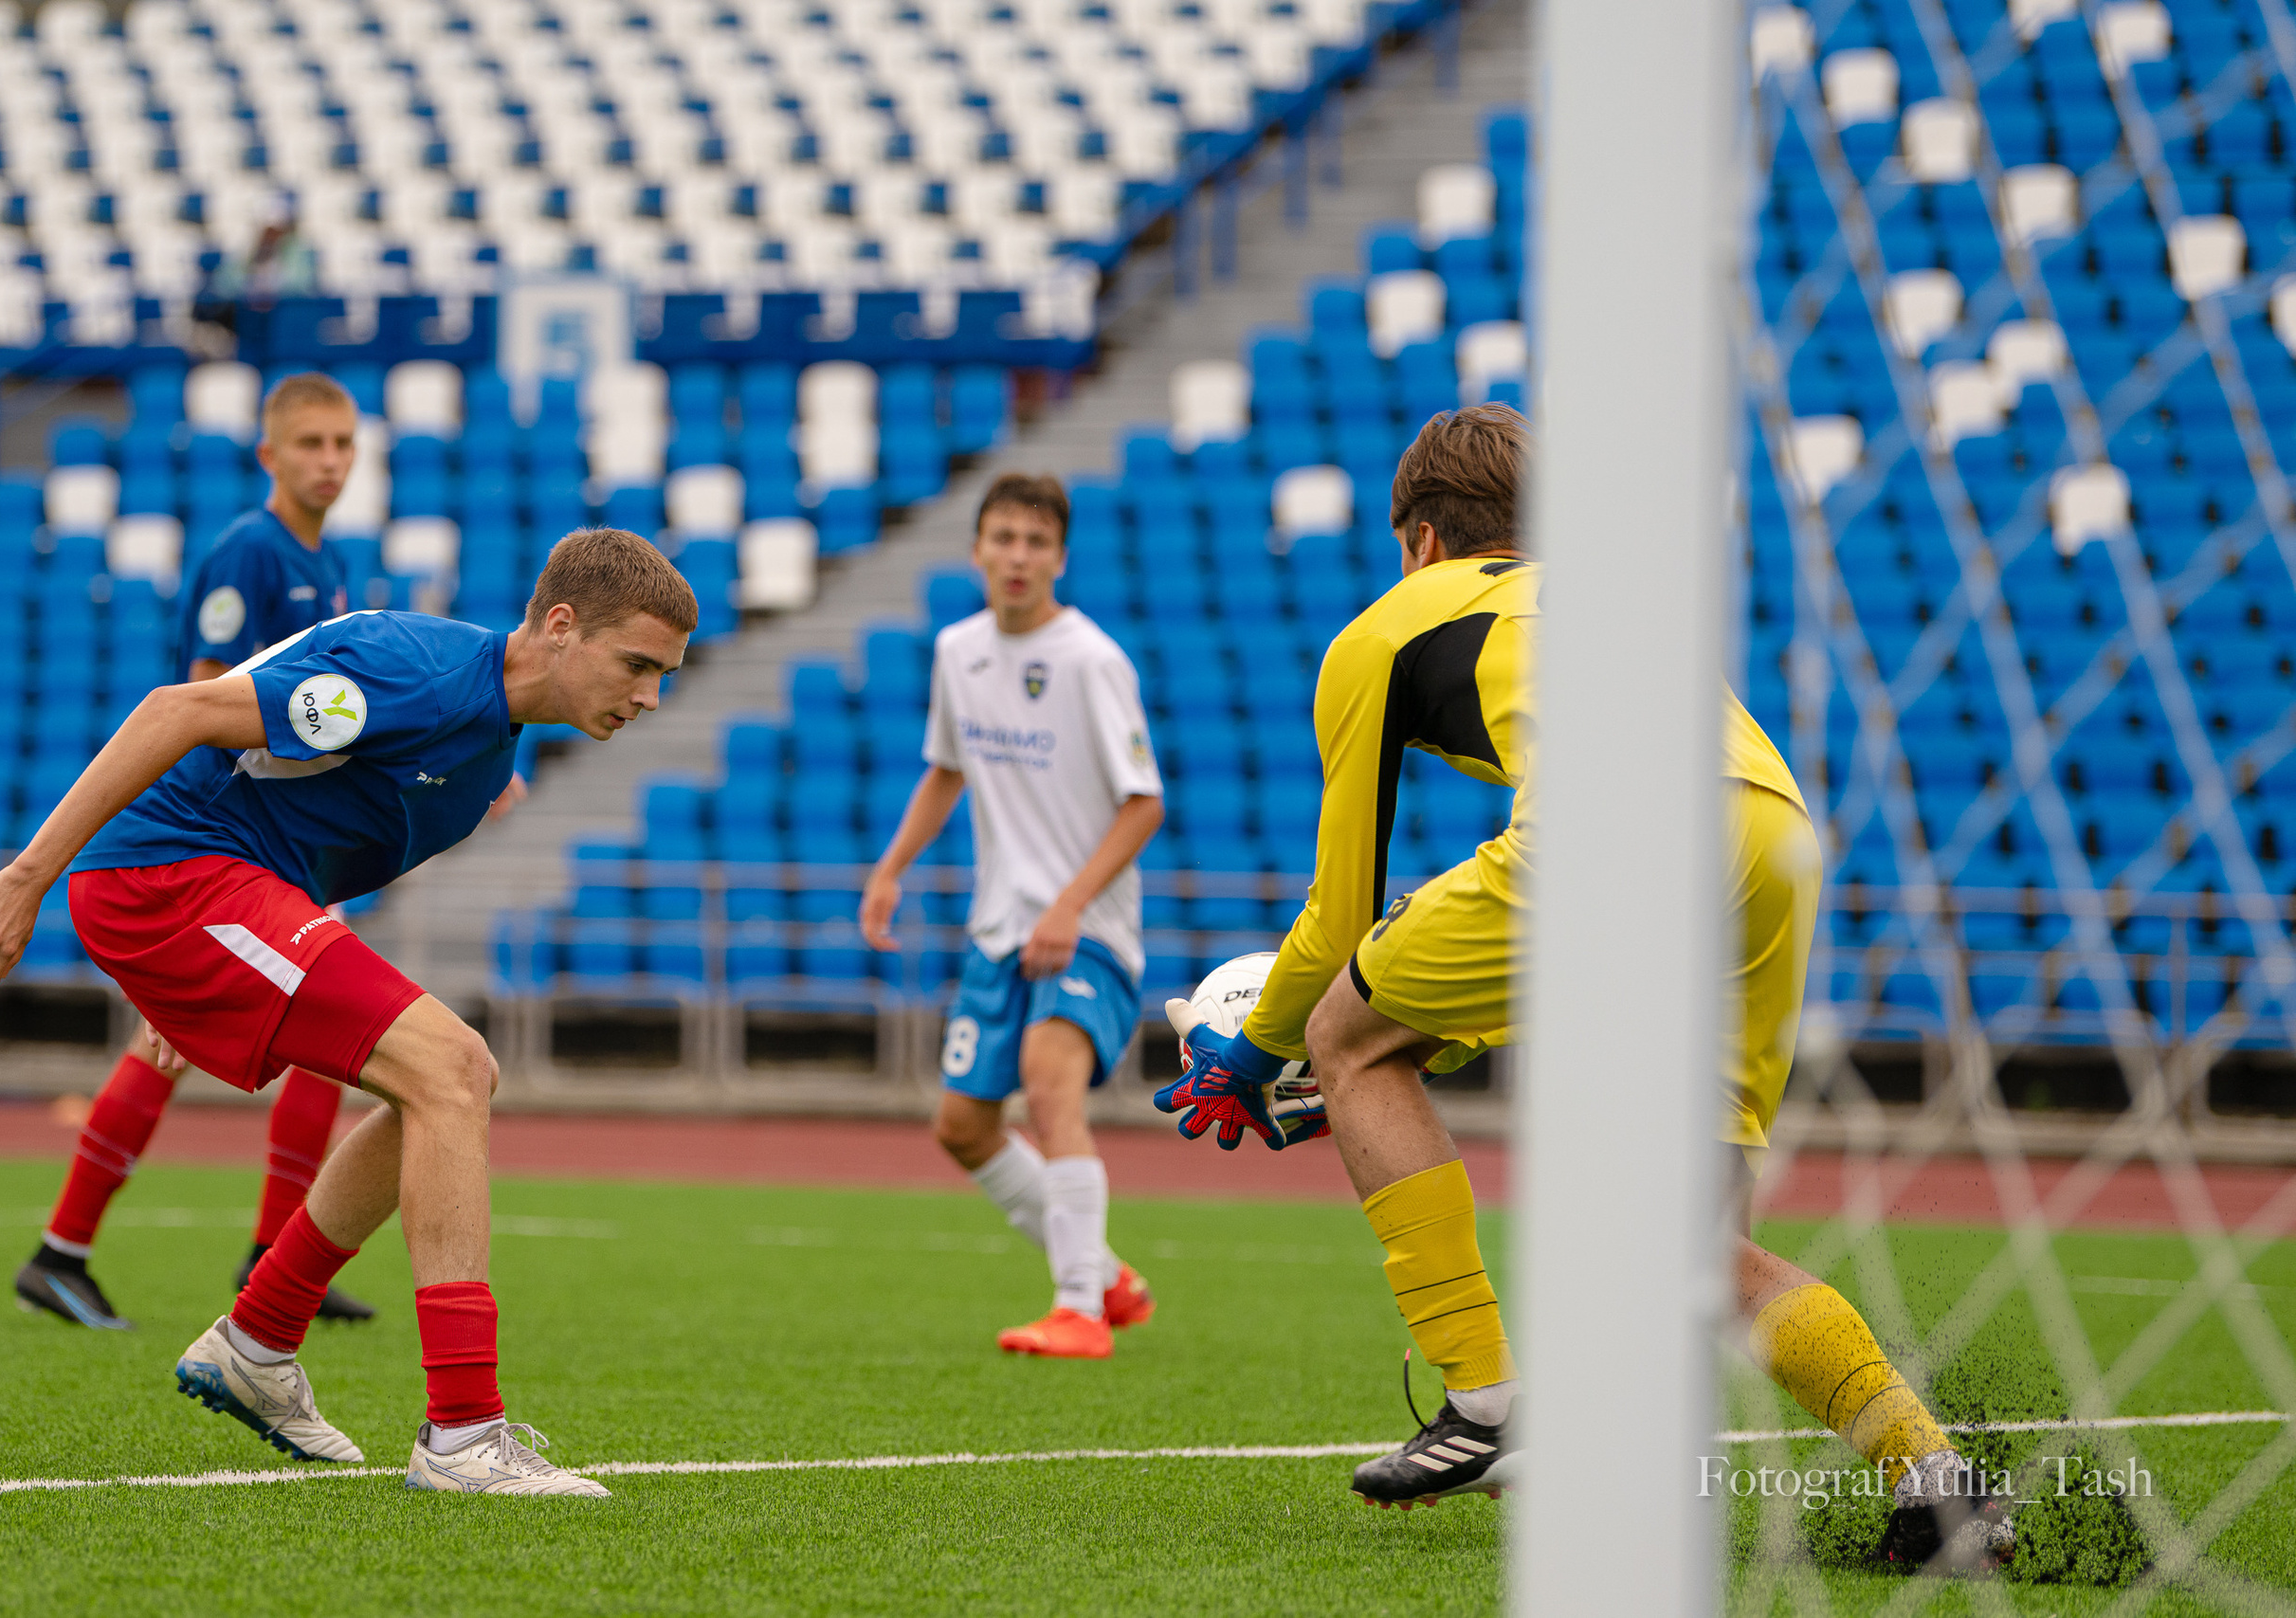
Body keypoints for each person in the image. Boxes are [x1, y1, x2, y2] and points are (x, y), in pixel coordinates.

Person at [1153, 407, 2010, 1566]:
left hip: (1611, 834)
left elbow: (1337, 918)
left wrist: (1256, 1056)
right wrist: (1416, 1041)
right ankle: (1936, 1478)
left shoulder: (1383, 630)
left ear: (1415, 539)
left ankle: (1485, 1410)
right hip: (1771, 837)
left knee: (1347, 1041)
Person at [0, 527, 695, 1496]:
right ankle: (464, 1435)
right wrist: (26, 876)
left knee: (452, 1081)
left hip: (226, 891)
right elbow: (178, 710)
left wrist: (215, 974)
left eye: (665, 675)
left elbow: (300, 825)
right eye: (637, 664)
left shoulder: (484, 757)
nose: (648, 697)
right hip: (163, 876)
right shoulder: (413, 675)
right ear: (559, 627)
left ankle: (259, 1337)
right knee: (451, 1068)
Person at [15, 371, 388, 1332]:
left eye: (344, 443)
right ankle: (68, 1252)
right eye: (311, 443)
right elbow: (206, 700)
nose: (331, 460)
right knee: (213, 1040)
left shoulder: (327, 558)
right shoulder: (249, 553)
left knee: (308, 1042)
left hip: (275, 837)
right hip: (224, 835)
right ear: (269, 455)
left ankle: (260, 1252)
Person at [859, 473, 1165, 1360]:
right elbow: (946, 768)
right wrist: (890, 868)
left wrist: (1070, 907)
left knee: (1048, 1077)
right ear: (978, 550)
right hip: (1001, 925)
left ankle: (1079, 1307)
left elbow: (1144, 802)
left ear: (1061, 557)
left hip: (1087, 928)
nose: (1019, 555)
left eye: (1037, 540)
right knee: (962, 1125)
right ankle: (1103, 1272)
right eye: (1004, 537)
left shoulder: (1093, 660)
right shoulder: (958, 650)